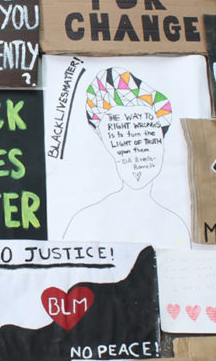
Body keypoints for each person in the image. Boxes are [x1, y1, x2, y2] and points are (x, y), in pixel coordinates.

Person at [62, 67, 190, 246]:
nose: (136, 151)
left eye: (147, 136)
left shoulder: (176, 227)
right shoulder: (84, 223)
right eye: (121, 140)